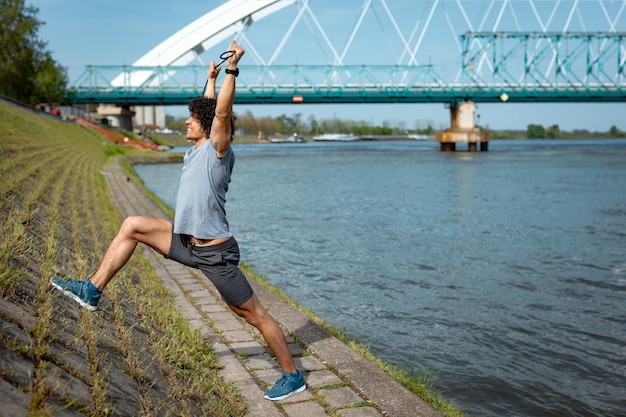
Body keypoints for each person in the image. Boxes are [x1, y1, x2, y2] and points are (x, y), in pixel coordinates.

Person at [50, 40, 306, 402]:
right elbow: (206, 108)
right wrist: (211, 78)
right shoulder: (195, 148)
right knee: (132, 225)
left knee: (252, 315)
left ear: (209, 129)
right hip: (186, 242)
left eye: (191, 120)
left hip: (215, 254)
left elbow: (218, 115)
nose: (186, 121)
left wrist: (232, 68)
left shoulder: (218, 150)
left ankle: (292, 375)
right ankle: (92, 290)